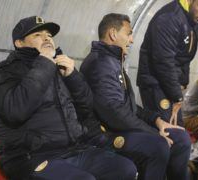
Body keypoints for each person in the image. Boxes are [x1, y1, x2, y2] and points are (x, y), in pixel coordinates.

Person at [0, 16, 137, 180]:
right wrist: (44, 62)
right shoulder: (6, 71)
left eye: (49, 35)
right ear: (19, 43)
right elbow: (15, 110)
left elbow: (87, 108)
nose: (46, 38)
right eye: (37, 35)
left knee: (125, 168)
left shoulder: (60, 66)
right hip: (30, 157)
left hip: (73, 148)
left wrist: (72, 76)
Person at [80, 13, 191, 180]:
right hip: (103, 135)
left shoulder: (113, 61)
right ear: (113, 34)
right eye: (129, 33)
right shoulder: (100, 64)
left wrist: (157, 121)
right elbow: (114, 113)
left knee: (181, 138)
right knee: (157, 145)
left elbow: (128, 106)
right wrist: (152, 133)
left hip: (118, 128)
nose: (131, 40)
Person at [137, 0, 198, 126]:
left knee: (175, 132)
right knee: (171, 134)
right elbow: (164, 61)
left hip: (170, 86)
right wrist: (177, 96)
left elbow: (184, 58)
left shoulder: (192, 20)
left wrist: (182, 84)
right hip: (156, 84)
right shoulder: (170, 17)